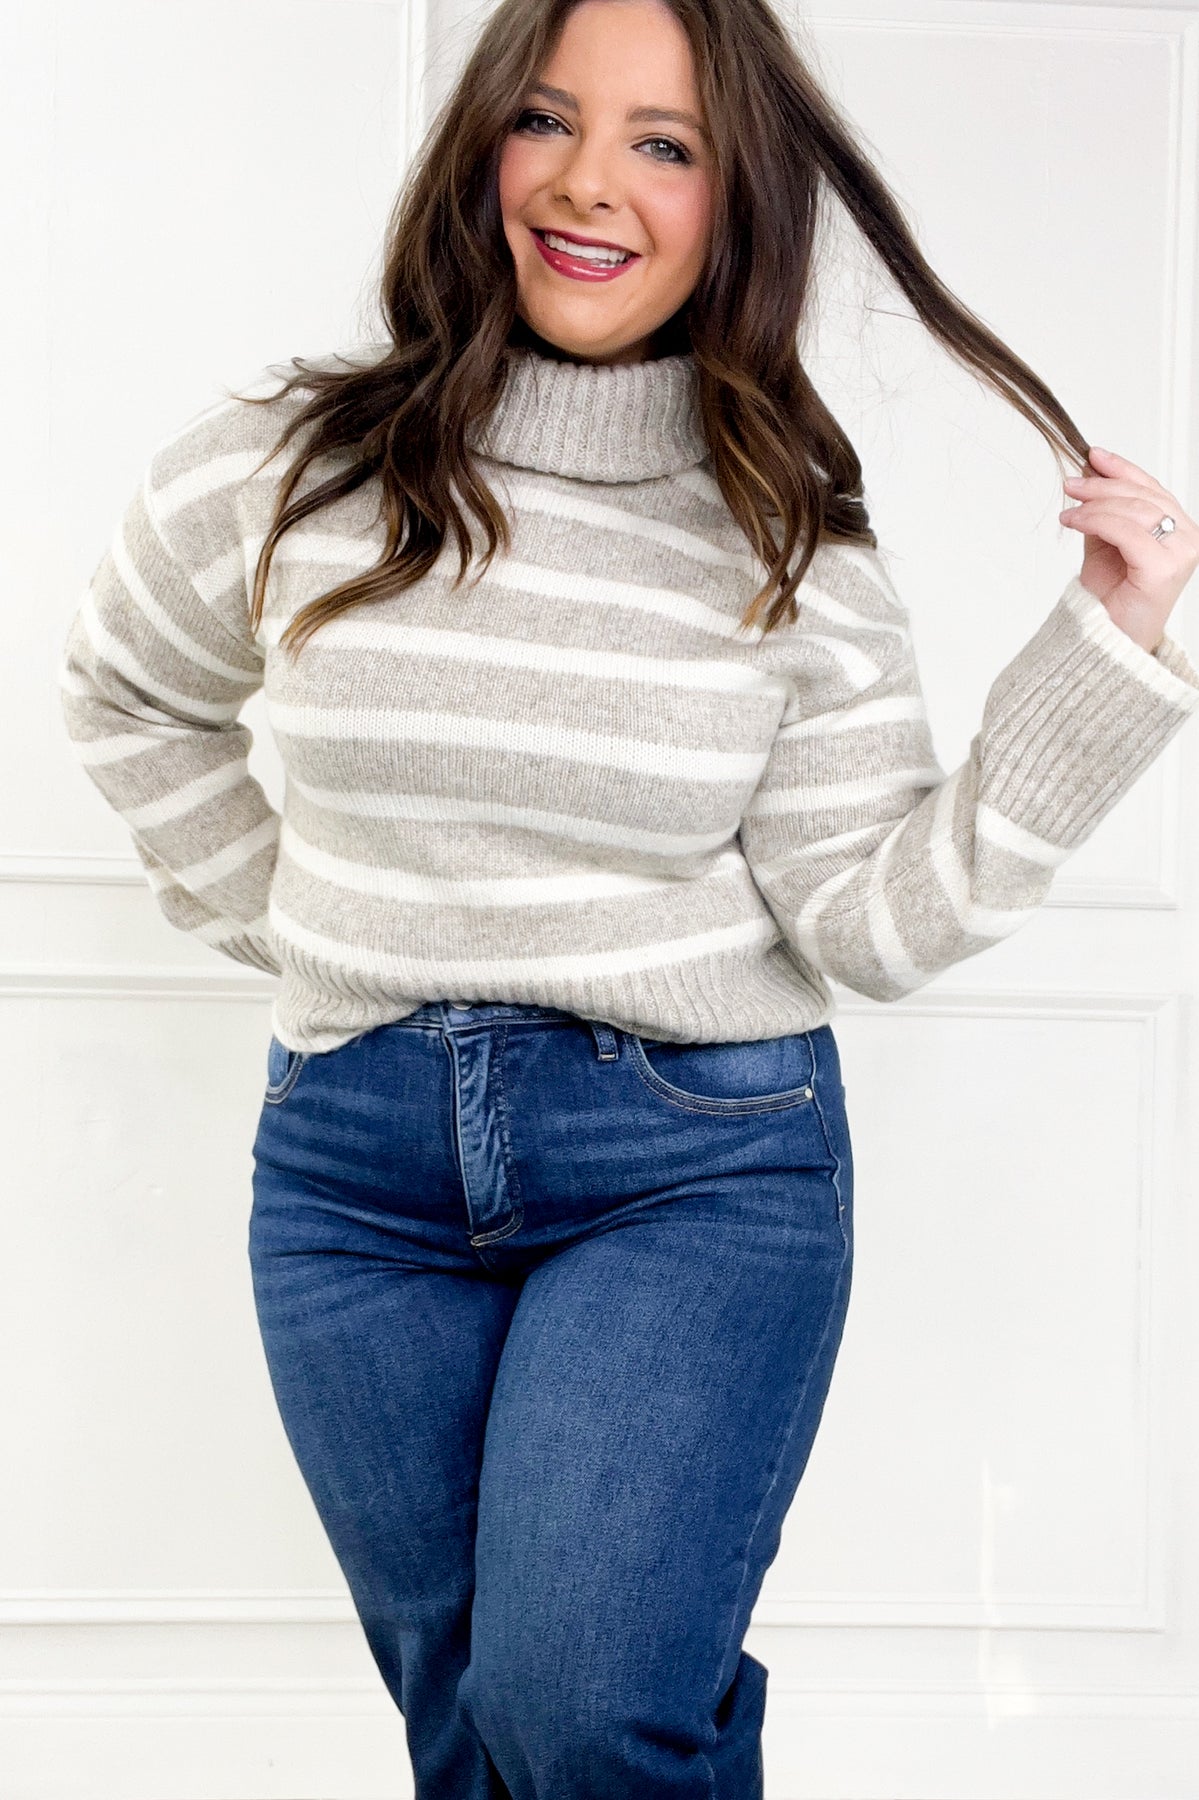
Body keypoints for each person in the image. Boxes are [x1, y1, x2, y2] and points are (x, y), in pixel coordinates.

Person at [57, 0, 1198, 1793]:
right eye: (546, 119)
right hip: (351, 1173)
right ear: (480, 149)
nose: (588, 182)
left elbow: (873, 923)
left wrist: (1106, 650)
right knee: (470, 1732)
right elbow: (130, 690)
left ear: (740, 200)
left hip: (689, 1169)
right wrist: (301, 920)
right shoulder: (290, 463)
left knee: (583, 1709)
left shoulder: (785, 540)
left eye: (665, 144)